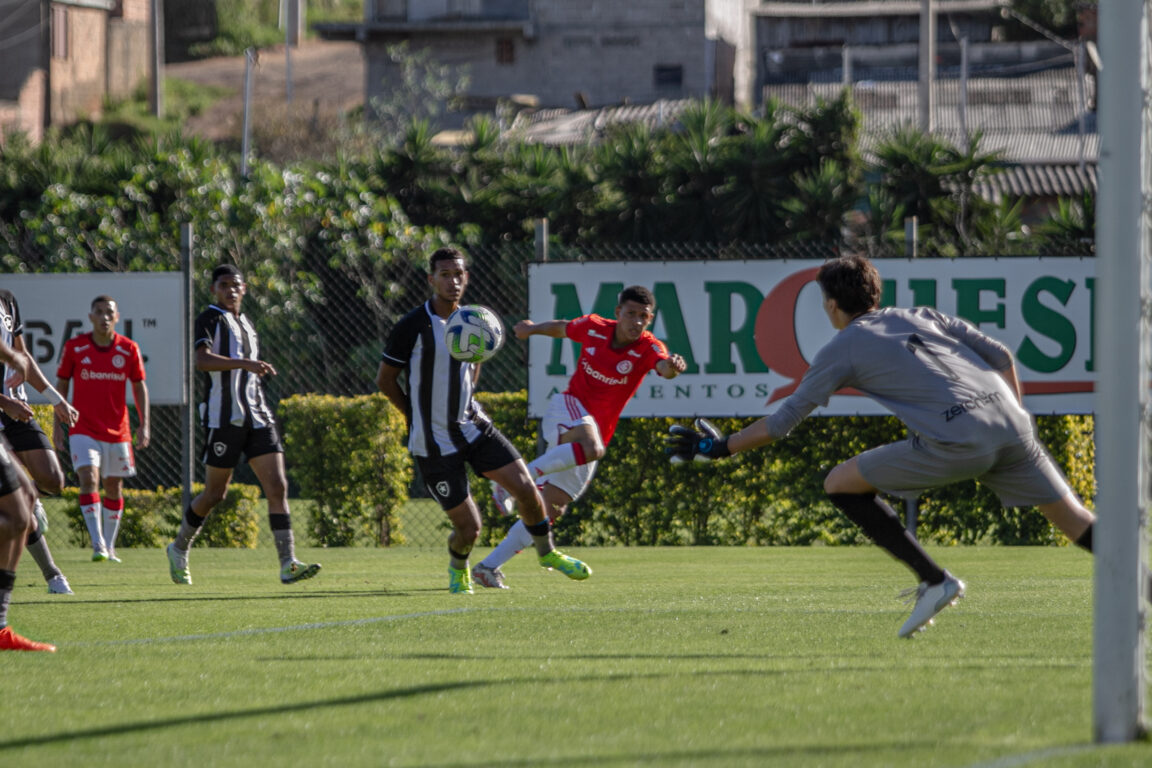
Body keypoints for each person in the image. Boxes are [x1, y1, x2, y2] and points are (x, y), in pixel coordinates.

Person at [666, 254, 1101, 638]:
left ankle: (934, 580)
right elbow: (1002, 356)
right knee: (1076, 522)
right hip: (1012, 424)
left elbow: (782, 423)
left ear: (832, 305)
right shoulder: (924, 315)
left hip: (958, 437)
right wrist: (1010, 420)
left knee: (839, 483)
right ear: (874, 293)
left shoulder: (842, 347)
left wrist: (721, 447)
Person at [375, 247, 591, 594]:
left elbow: (474, 367)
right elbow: (385, 381)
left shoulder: (477, 320)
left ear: (467, 278)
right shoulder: (412, 326)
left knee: (525, 487)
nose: (453, 281)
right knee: (469, 530)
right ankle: (459, 567)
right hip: (432, 442)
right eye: (445, 275)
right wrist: (414, 418)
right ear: (431, 280)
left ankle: (547, 553)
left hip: (474, 427)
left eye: (458, 274)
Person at [474, 286, 687, 588]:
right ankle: (511, 482)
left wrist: (673, 369)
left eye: (643, 316)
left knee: (552, 509)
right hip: (567, 407)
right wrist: (533, 329)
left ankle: (487, 567)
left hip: (592, 432)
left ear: (649, 319)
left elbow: (663, 367)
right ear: (618, 313)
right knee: (592, 447)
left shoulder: (649, 347)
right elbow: (562, 328)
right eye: (630, 314)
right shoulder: (595, 327)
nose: (636, 321)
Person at [165, 265, 320, 586]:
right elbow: (203, 361)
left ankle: (288, 562)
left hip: (258, 416)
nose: (230, 291)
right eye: (223, 285)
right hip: (225, 419)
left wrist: (250, 370)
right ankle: (179, 547)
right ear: (214, 290)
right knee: (215, 493)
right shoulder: (210, 318)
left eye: (236, 286)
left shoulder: (246, 322)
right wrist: (245, 363)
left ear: (245, 289)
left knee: (277, 487)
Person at [55, 295, 150, 563]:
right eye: (99, 312)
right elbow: (60, 386)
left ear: (117, 317)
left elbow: (139, 386)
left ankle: (109, 546)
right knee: (88, 478)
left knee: (113, 485)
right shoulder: (75, 347)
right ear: (90, 317)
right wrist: (58, 425)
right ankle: (97, 544)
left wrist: (145, 425)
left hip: (118, 430)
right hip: (82, 428)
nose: (104, 316)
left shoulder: (128, 348)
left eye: (109, 312)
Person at [0, 289, 78, 594]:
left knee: (53, 480)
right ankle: (54, 576)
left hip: (16, 409)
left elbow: (21, 355)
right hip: (6, 406)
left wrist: (55, 399)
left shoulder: (7, 300)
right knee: (19, 506)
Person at [0, 336, 57, 650]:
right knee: (17, 513)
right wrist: (5, 400)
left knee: (22, 510)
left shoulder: (7, 303)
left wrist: (15, 357)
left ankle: (0, 629)